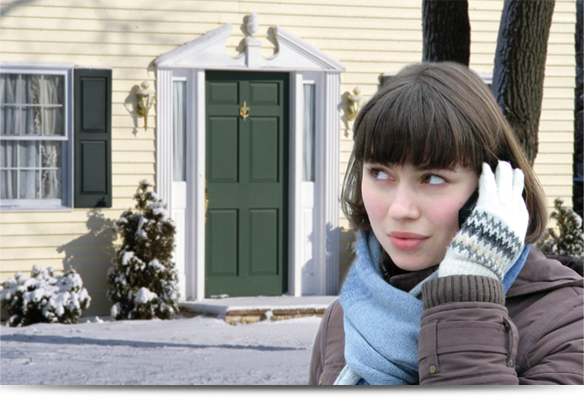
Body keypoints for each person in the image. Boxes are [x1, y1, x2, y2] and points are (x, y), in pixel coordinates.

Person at [309, 62, 584, 385]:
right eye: (380, 173)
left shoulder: (565, 321)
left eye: (432, 178)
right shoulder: (345, 316)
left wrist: (466, 295)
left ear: (489, 188)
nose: (400, 209)